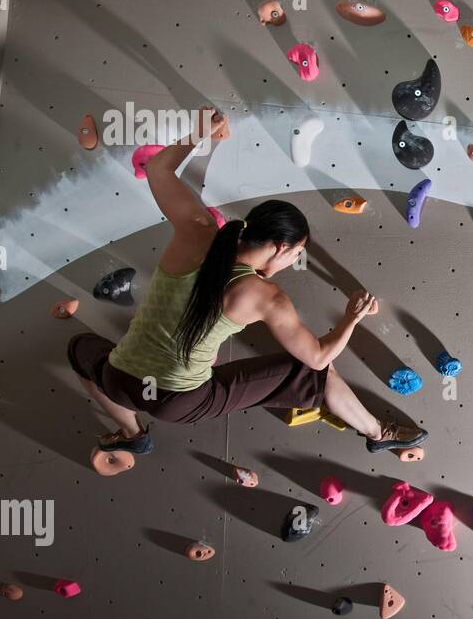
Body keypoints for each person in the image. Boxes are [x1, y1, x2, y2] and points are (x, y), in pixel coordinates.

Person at [66, 108, 426, 459]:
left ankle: (132, 434)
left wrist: (200, 131)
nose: (289, 263)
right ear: (282, 247)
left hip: (118, 380)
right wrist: (352, 318)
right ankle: (379, 434)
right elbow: (317, 357)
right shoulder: (266, 296)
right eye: (295, 254)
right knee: (311, 375)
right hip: (177, 402)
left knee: (80, 348)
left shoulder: (196, 230)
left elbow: (158, 166)